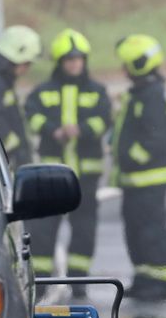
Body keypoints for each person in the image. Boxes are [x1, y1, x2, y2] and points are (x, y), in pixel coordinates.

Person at [25, 28, 111, 297]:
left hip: (86, 176)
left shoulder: (97, 91)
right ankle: (41, 282)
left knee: (84, 231)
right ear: (60, 62)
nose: (75, 64)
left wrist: (82, 129)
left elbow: (105, 119)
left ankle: (79, 282)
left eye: (78, 59)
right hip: (51, 175)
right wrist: (52, 129)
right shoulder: (43, 91)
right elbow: (31, 116)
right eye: (69, 59)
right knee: (43, 229)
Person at [112, 34, 166, 301]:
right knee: (135, 231)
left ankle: (160, 282)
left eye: (127, 64)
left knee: (151, 231)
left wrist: (131, 157)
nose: (124, 69)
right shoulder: (141, 92)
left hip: (148, 179)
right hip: (134, 179)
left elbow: (154, 139)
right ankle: (143, 278)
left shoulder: (152, 95)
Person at [0, 25, 42, 171]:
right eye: (26, 63)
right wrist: (16, 149)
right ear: (15, 58)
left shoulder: (0, 81)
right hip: (7, 161)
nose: (27, 69)